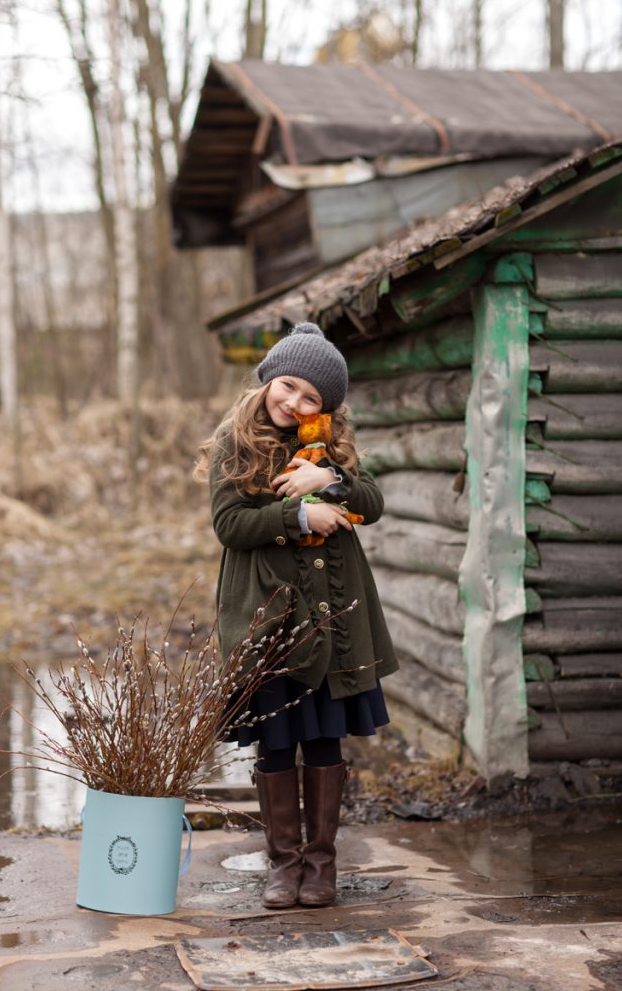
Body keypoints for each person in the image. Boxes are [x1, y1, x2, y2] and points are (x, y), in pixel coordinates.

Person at [194, 321, 398, 909]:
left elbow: (373, 502)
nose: (295, 402)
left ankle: (322, 865)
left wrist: (328, 479)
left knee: (326, 738)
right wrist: (299, 517)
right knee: (277, 739)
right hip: (267, 612)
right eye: (288, 386)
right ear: (267, 378)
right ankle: (282, 864)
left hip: (332, 613)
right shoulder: (236, 440)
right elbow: (229, 525)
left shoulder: (327, 443)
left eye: (312, 398)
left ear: (325, 407)